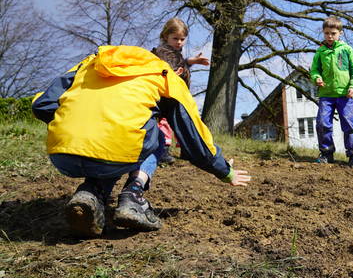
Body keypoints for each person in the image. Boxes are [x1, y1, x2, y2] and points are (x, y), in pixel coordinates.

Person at [32, 45, 251, 237]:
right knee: (148, 135)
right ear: (179, 72)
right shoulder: (166, 76)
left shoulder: (94, 60)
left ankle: (90, 192)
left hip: (62, 153)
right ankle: (133, 195)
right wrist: (224, 171)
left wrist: (73, 126)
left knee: (116, 142)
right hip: (118, 149)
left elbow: (42, 104)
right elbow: (192, 135)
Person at [151, 17, 210, 164]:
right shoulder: (162, 51)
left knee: (184, 120)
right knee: (164, 124)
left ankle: (185, 148)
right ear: (165, 36)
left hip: (177, 94)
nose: (179, 42)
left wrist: (191, 61)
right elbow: (168, 67)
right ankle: (163, 150)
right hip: (165, 95)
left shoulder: (175, 52)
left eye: (182, 39)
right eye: (175, 38)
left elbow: (180, 64)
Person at [309, 16, 353, 168]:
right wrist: (317, 78)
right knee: (322, 123)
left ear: (340, 33)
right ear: (323, 33)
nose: (330, 36)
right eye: (326, 33)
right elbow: (314, 70)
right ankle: (326, 152)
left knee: (349, 125)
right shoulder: (320, 52)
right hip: (326, 94)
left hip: (345, 94)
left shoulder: (346, 50)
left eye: (333, 33)